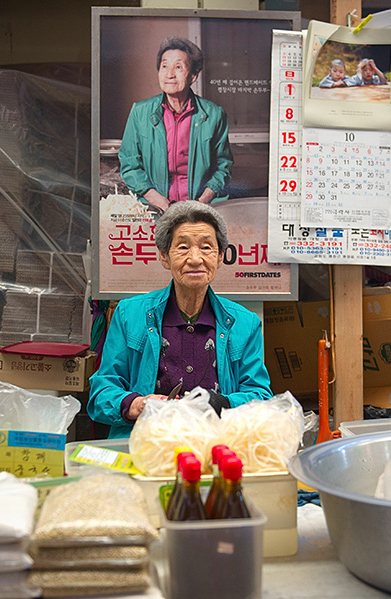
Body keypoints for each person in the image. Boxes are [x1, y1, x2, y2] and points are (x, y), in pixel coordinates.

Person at [88, 201, 272, 438]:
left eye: (206, 247)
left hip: (217, 447)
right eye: (183, 247)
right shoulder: (129, 314)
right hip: (144, 446)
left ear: (219, 258)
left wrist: (221, 403)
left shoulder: (245, 324)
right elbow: (101, 391)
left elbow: (260, 396)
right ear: (164, 256)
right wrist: (136, 405)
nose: (195, 259)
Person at [118, 36, 233, 214]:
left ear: (193, 75)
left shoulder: (214, 115)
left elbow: (223, 166)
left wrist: (201, 203)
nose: (169, 74)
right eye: (164, 66)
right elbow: (130, 164)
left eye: (178, 67)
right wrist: (162, 204)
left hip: (202, 207)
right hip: (154, 207)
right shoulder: (140, 112)